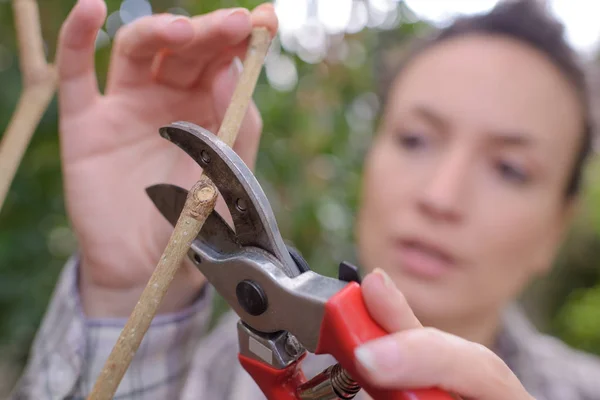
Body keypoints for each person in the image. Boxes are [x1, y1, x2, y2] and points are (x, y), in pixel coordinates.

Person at [8, 0, 600, 398]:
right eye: (415, 139)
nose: (441, 196)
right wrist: (126, 294)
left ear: (557, 226)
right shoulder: (214, 376)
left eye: (509, 169)